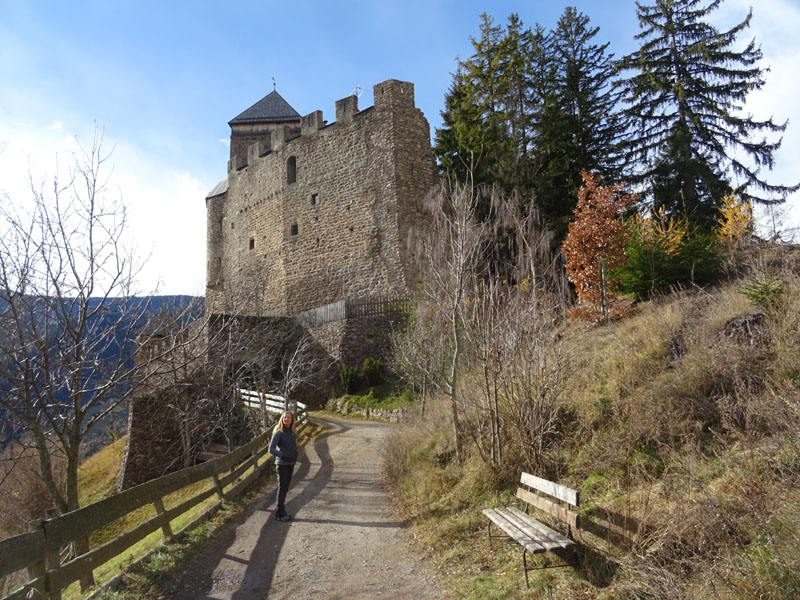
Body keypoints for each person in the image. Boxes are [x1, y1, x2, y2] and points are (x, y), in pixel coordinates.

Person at [268, 410, 297, 521]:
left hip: (290, 463)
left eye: (288, 417)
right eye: (285, 417)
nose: (286, 419)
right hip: (282, 463)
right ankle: (280, 512)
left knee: (285, 488)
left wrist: (294, 455)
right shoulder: (278, 433)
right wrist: (282, 454)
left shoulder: (292, 433)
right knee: (282, 488)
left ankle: (280, 512)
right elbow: (271, 449)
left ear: (292, 420)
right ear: (282, 419)